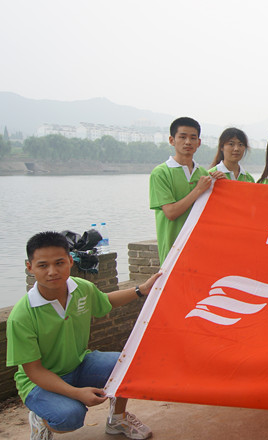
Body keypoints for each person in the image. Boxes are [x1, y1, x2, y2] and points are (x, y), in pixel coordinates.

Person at [6, 231, 163, 440]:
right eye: (43, 265)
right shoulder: (21, 316)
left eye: (59, 263)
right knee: (70, 416)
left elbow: (105, 301)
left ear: (70, 261)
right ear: (30, 267)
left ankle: (117, 420)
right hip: (38, 382)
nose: (52, 271)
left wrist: (141, 290)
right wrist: (77, 394)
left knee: (128, 366)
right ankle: (40, 418)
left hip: (79, 363)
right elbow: (34, 371)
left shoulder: (81, 288)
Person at [149, 117, 214, 264]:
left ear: (199, 142)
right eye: (182, 137)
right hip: (172, 250)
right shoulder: (161, 173)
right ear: (172, 140)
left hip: (199, 248)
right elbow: (171, 213)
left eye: (193, 138)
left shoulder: (203, 174)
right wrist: (198, 190)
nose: (188, 142)